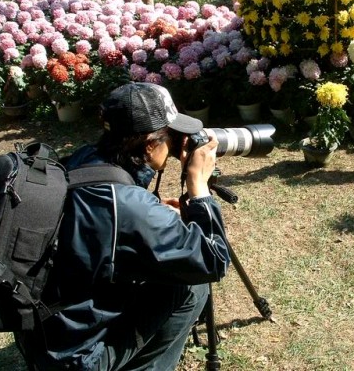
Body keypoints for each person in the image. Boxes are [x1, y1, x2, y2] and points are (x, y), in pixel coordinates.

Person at [14, 82, 231, 371]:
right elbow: (213, 260)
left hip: (42, 334)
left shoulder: (85, 159)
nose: (178, 141)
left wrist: (151, 214)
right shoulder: (128, 205)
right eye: (172, 135)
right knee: (193, 287)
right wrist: (198, 187)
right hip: (77, 359)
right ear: (151, 144)